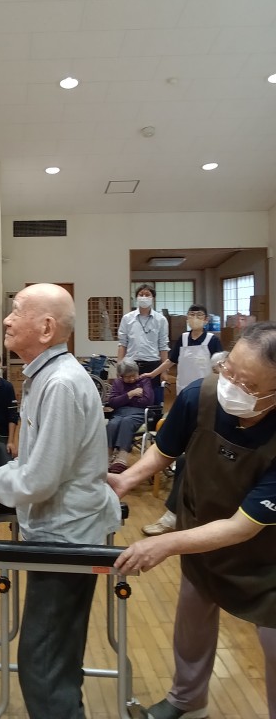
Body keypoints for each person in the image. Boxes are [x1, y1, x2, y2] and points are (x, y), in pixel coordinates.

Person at [0, 283, 121, 719]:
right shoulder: (43, 376)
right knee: (54, 654)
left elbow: (38, 481)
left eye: (17, 311)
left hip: (66, 540)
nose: (7, 319)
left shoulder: (60, 383)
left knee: (43, 662)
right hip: (56, 531)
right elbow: (30, 465)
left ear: (46, 328)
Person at [108, 321, 276, 719]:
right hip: (202, 536)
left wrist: (164, 543)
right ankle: (187, 701)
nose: (231, 386)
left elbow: (242, 527)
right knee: (192, 622)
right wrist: (126, 479)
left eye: (248, 384)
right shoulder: (199, 396)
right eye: (229, 370)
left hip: (266, 559)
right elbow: (165, 450)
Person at [140, 305, 223, 536]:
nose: (194, 319)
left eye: (199, 316)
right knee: (179, 438)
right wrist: (152, 374)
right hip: (185, 395)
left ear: (206, 319)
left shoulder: (212, 341)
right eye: (191, 315)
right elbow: (170, 362)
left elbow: (218, 365)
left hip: (207, 396)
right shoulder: (183, 339)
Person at [106, 358, 155, 474]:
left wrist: (123, 400)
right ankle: (107, 456)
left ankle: (121, 458)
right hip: (120, 413)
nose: (132, 379)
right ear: (121, 376)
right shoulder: (117, 383)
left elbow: (147, 401)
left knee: (127, 422)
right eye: (128, 377)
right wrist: (130, 394)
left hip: (139, 413)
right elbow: (112, 402)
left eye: (134, 375)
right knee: (112, 424)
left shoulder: (144, 381)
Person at [117, 284, 170, 390]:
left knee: (152, 396)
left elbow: (163, 346)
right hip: (131, 365)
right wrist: (119, 367)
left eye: (147, 295)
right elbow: (122, 344)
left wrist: (164, 371)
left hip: (153, 365)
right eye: (141, 295)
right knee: (131, 395)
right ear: (136, 298)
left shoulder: (161, 320)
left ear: (153, 298)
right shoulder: (127, 318)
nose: (144, 297)